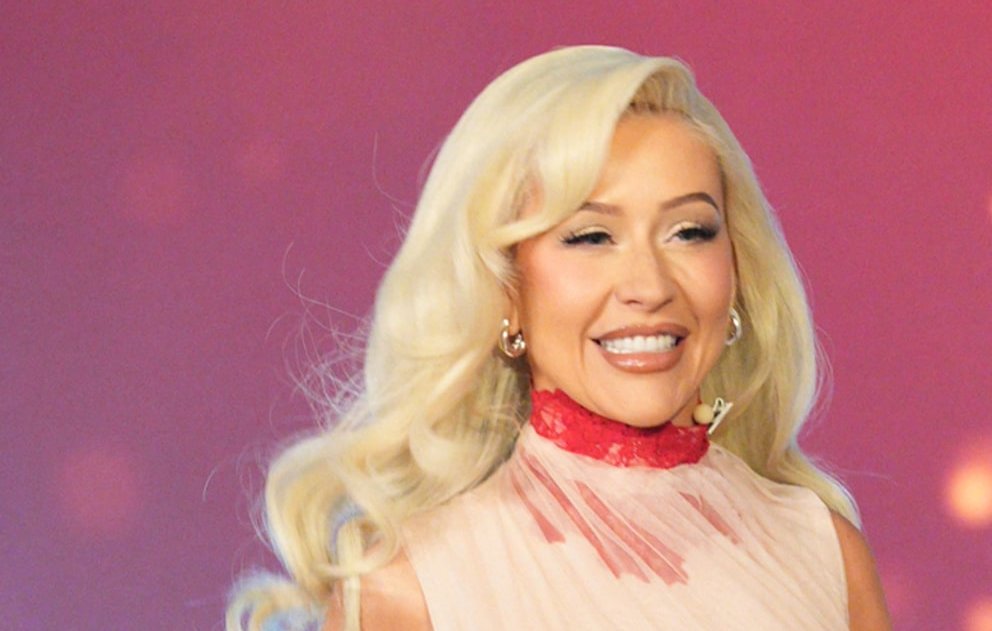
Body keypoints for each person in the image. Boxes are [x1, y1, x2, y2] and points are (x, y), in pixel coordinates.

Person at [227, 45, 890, 630]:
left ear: (737, 270)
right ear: (505, 290)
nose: (649, 284)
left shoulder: (822, 551)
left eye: (689, 231)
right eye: (592, 236)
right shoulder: (412, 589)